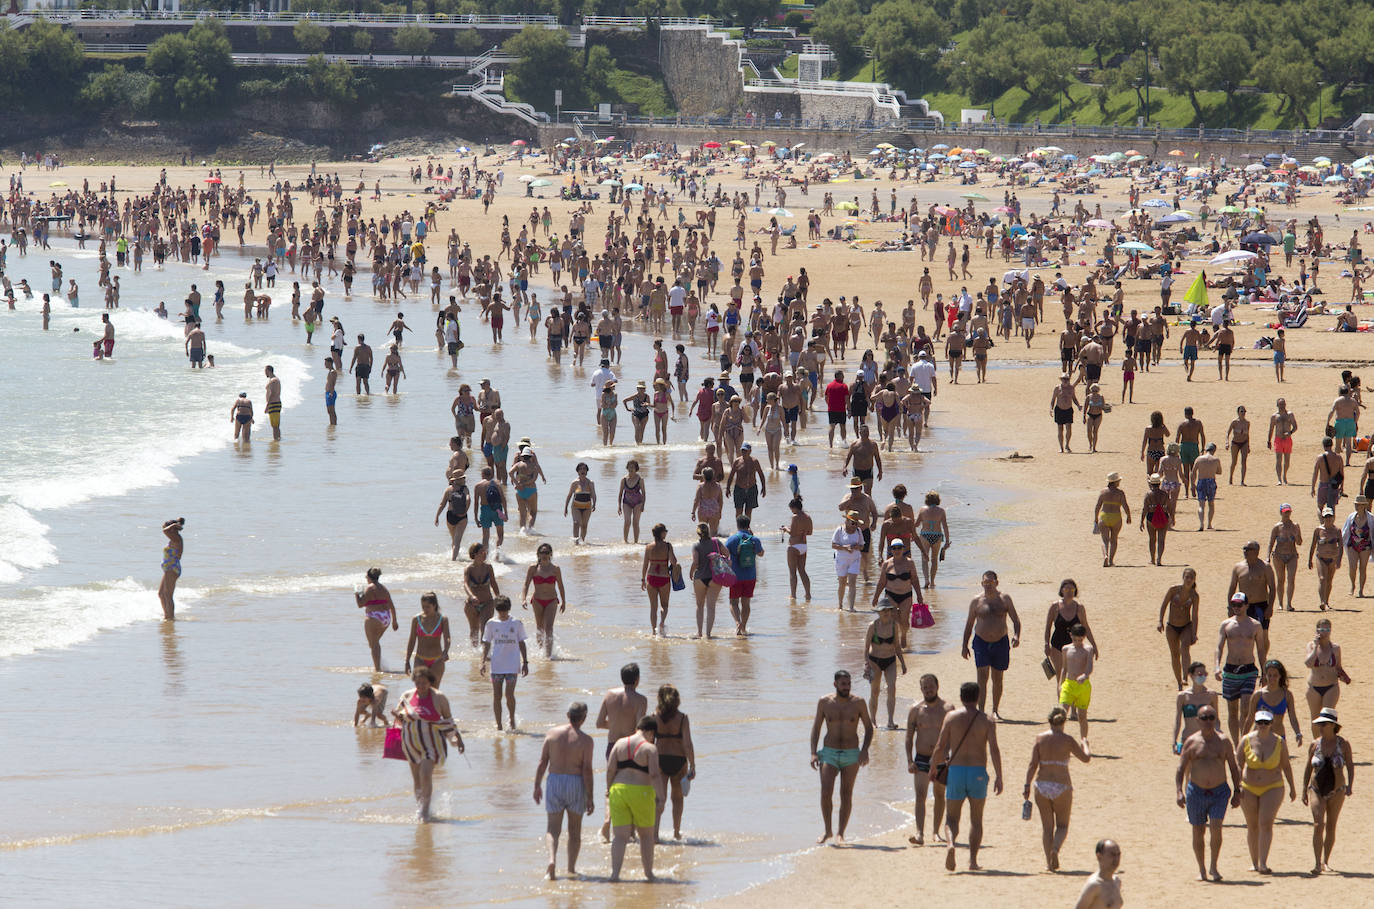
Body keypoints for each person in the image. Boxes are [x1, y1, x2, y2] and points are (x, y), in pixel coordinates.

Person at [931, 681, 1002, 871]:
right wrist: (999, 776)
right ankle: (972, 861)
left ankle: (951, 844)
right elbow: (994, 750)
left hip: (956, 771)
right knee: (976, 819)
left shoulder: (951, 717)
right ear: (978, 697)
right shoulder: (987, 720)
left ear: (961, 697)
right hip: (978, 772)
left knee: (951, 819)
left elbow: (940, 746)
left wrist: (933, 768)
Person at [1176, 702, 1241, 882]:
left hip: (1219, 791)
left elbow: (1234, 768)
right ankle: (1202, 869)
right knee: (1198, 830)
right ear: (1197, 720)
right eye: (1204, 718)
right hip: (1196, 792)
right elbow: (1180, 769)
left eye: (1211, 717)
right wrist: (1179, 792)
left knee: (1216, 827)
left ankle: (1214, 866)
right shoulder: (1191, 742)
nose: (1208, 721)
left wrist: (1237, 791)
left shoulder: (1224, 741)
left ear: (1216, 719)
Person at [809, 670, 875, 845]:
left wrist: (865, 750)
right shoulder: (824, 702)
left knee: (846, 794)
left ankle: (840, 833)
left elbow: (869, 728)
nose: (846, 687)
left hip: (851, 754)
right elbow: (816, 728)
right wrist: (814, 752)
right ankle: (828, 830)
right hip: (829, 752)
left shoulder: (859, 703)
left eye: (848, 684)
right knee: (825, 792)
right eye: (843, 684)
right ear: (835, 684)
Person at [391, 665, 464, 823]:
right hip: (411, 743)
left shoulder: (439, 697)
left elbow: (449, 721)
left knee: (425, 774)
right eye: (417, 683)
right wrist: (397, 715)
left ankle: (424, 811)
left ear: (430, 682)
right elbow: (399, 718)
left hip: (432, 744)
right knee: (416, 779)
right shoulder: (407, 695)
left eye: (423, 683)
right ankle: (421, 807)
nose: (420, 686)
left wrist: (457, 739)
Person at [1023, 705, 1091, 872]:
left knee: (1047, 828)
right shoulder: (1067, 740)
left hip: (1042, 785)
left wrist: (1026, 785)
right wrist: (1085, 744)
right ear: (1064, 722)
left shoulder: (1040, 738)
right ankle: (1055, 849)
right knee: (1062, 826)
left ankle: (1048, 863)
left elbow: (1033, 765)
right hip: (1062, 786)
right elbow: (1085, 758)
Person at [533, 702, 596, 880]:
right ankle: (571, 869)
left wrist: (537, 785)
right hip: (576, 782)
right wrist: (590, 797)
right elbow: (587, 770)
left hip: (555, 781)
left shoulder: (552, 734)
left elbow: (542, 762)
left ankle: (552, 860)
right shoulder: (586, 741)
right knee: (574, 831)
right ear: (584, 718)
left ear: (567, 714)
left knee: (552, 829)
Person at [1235, 708, 1296, 875]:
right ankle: (1254, 862)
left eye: (1266, 723)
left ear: (1271, 724)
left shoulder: (1279, 742)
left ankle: (1263, 862)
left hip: (1273, 786)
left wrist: (1293, 787)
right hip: (1248, 787)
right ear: (1255, 723)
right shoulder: (1246, 740)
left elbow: (1286, 765)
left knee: (1265, 823)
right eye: (1260, 722)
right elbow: (1238, 765)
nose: (1262, 726)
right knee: (1252, 825)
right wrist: (1236, 787)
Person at [607, 716, 666, 882]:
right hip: (642, 792)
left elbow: (610, 769)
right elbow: (654, 774)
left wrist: (608, 788)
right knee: (646, 836)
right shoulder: (650, 748)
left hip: (618, 790)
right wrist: (661, 798)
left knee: (620, 837)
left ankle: (615, 874)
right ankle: (648, 874)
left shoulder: (619, 743)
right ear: (650, 731)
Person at [960, 570, 1021, 718]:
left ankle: (995, 710)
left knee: (998, 677)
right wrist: (964, 645)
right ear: (981, 583)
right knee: (982, 676)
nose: (988, 585)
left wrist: (1016, 635)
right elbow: (969, 624)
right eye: (985, 582)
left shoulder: (1005, 599)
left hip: (1001, 641)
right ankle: (981, 711)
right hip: (981, 641)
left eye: (991, 582)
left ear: (997, 583)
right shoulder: (976, 601)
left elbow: (1016, 620)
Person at [1302, 707, 1353, 875]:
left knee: (1331, 825)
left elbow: (1350, 766)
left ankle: (1325, 861)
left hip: (1337, 790)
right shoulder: (1315, 744)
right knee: (1318, 824)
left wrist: (1350, 786)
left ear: (1332, 725)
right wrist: (1304, 790)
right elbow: (1308, 768)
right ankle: (1317, 863)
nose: (1320, 727)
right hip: (1316, 789)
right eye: (1319, 724)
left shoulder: (1343, 744)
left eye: (1323, 724)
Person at [904, 674, 952, 846]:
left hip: (941, 759)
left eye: (931, 686)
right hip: (922, 759)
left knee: (939, 795)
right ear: (921, 688)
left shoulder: (947, 709)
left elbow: (953, 735)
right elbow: (909, 737)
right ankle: (919, 834)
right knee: (920, 796)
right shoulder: (915, 710)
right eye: (925, 687)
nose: (928, 689)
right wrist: (910, 760)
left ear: (937, 686)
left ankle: (936, 833)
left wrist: (952, 757)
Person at [1215, 592, 1262, 743]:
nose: (1236, 608)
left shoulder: (1255, 625)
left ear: (1246, 605)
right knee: (1232, 711)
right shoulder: (1226, 624)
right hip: (1230, 671)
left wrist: (1264, 671)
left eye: (1239, 605)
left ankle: (1243, 741)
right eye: (1233, 605)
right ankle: (1236, 744)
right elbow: (1219, 647)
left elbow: (1261, 649)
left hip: (1248, 670)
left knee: (1246, 709)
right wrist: (1217, 666)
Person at [652, 684, 696, 841]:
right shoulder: (682, 718)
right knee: (677, 798)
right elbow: (687, 744)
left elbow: (649, 741)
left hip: (660, 759)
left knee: (659, 799)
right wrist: (693, 765)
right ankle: (676, 832)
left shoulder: (654, 717)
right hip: (679, 760)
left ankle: (655, 834)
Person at [479, 596, 528, 731]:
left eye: (505, 611)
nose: (503, 614)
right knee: (497, 696)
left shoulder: (516, 623)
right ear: (496, 610)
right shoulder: (491, 623)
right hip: (497, 666)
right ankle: (499, 725)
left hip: (512, 665)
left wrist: (525, 662)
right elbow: (487, 643)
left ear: (509, 609)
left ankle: (511, 718)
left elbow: (522, 642)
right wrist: (482, 661)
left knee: (509, 694)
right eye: (500, 611)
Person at [1227, 541, 1276, 665]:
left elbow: (1272, 588)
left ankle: (1263, 662)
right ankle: (1245, 662)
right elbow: (1232, 587)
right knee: (1243, 635)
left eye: (1248, 549)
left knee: (1263, 635)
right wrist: (1230, 607)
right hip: (1243, 606)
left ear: (1257, 551)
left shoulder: (1265, 567)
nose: (1245, 551)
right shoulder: (1238, 567)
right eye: (1244, 549)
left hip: (1260, 605)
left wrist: (1270, 607)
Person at [1044, 579, 1099, 685]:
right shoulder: (1055, 607)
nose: (1069, 591)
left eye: (1072, 589)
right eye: (1067, 589)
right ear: (1062, 590)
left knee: (1074, 676)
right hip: (1057, 645)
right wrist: (1046, 644)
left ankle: (1071, 700)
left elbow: (1086, 627)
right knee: (1061, 677)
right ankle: (1062, 701)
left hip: (1075, 645)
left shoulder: (1079, 608)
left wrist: (1094, 645)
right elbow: (1048, 627)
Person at [863, 601, 907, 729]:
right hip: (874, 661)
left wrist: (903, 664)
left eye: (888, 610)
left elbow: (897, 647)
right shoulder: (873, 626)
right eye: (883, 610)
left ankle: (890, 721)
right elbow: (866, 648)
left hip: (890, 661)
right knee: (875, 691)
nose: (886, 612)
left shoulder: (894, 626)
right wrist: (866, 664)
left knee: (892, 689)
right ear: (878, 612)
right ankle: (873, 720)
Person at [1157, 568, 1201, 690]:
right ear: (1183, 577)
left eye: (1191, 578)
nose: (1189, 580)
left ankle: (1185, 677)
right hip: (1171, 627)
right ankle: (1179, 682)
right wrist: (1160, 621)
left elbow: (1195, 615)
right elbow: (1164, 604)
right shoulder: (1173, 590)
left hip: (1186, 626)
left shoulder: (1194, 596)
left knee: (1185, 649)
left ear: (1194, 580)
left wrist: (1194, 633)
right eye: (1187, 577)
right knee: (1175, 655)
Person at [521, 543, 566, 657]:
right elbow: (526, 584)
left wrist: (564, 602)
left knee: (549, 628)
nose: (544, 555)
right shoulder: (533, 568)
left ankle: (548, 655)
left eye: (547, 552)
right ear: (538, 554)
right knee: (540, 627)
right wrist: (523, 599)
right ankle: (540, 650)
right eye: (542, 552)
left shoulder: (555, 569)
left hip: (551, 600)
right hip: (537, 601)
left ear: (551, 554)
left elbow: (561, 586)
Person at [1304, 618, 1350, 725]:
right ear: (1317, 631)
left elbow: (1338, 667)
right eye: (1322, 629)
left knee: (1327, 718)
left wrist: (1344, 677)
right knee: (1315, 720)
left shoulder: (1335, 648)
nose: (1325, 632)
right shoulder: (1311, 646)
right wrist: (1315, 647)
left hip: (1331, 686)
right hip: (1313, 687)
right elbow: (1308, 664)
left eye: (1328, 629)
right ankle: (1317, 742)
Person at [725, 514, 763, 634]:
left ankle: (737, 623)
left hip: (735, 576)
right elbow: (761, 553)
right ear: (748, 525)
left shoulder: (732, 539)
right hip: (750, 576)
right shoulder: (754, 539)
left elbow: (724, 554)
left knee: (733, 602)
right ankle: (744, 628)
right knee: (746, 603)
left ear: (737, 525)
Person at [404, 592, 452, 687]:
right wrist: (407, 661)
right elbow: (412, 640)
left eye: (428, 607)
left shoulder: (442, 619)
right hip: (420, 659)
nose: (425, 609)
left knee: (434, 690)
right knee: (420, 688)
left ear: (434, 605)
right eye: (423, 607)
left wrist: (446, 650)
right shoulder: (416, 619)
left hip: (437, 660)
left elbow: (447, 638)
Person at [1058, 625, 1096, 745]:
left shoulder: (1088, 649)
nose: (1078, 642)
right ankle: (1060, 741)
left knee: (1082, 716)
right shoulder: (1065, 649)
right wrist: (1060, 684)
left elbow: (1090, 666)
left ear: (1084, 637)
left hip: (1083, 686)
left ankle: (1083, 740)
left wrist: (1085, 675)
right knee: (1062, 714)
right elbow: (1064, 668)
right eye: (1075, 640)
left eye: (1080, 640)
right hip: (1068, 685)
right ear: (1071, 636)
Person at [355, 567, 397, 672]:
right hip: (386, 617)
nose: (366, 578)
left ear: (369, 577)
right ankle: (380, 665)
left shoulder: (369, 588)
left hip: (374, 616)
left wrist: (356, 593)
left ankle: (378, 669)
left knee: (374, 644)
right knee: (374, 643)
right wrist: (394, 621)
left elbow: (360, 604)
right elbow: (392, 605)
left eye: (366, 576)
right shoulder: (384, 588)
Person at [1174, 661, 1220, 755]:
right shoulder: (1183, 696)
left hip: (1206, 739)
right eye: (1199, 674)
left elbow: (1216, 719)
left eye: (1205, 674)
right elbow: (1178, 720)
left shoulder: (1211, 695)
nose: (1202, 676)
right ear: (1191, 675)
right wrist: (1174, 740)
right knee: (1186, 768)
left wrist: (1218, 733)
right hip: (1187, 739)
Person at [641, 523, 678, 636]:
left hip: (651, 577)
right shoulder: (667, 546)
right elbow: (674, 561)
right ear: (662, 533)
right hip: (664, 578)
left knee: (653, 607)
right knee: (664, 605)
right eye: (665, 531)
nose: (666, 533)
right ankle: (661, 622)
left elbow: (645, 564)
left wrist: (643, 579)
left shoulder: (648, 547)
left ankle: (653, 631)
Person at [462, 543, 499, 646]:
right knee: (474, 630)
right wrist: (471, 596)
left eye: (485, 552)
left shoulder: (488, 567)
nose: (485, 554)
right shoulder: (468, 569)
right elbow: (465, 584)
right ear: (474, 554)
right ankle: (475, 657)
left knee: (485, 629)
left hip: (487, 603)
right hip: (472, 604)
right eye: (482, 552)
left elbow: (493, 583)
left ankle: (484, 656)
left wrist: (499, 598)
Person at [1268, 503, 1303, 612]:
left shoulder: (1295, 526)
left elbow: (1299, 542)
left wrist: (1296, 534)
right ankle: (1280, 603)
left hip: (1292, 555)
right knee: (1280, 580)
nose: (1287, 514)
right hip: (1279, 556)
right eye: (1285, 512)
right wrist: (1267, 557)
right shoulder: (1277, 527)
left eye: (1288, 512)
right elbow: (1271, 543)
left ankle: (1289, 603)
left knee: (1291, 579)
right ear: (1281, 513)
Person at [1092, 473, 1130, 566]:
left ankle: (1105, 555)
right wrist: (1129, 516)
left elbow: (1097, 506)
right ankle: (1111, 561)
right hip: (1116, 516)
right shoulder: (1120, 493)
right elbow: (1125, 505)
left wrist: (1096, 518)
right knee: (1114, 540)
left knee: (1104, 540)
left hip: (1104, 516)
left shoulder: (1103, 492)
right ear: (1115, 482)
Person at [1310, 506, 1344, 610]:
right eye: (1326, 516)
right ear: (1323, 518)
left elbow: (1341, 546)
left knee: (1329, 580)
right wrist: (1309, 560)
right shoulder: (1318, 530)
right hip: (1321, 558)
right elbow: (1313, 545)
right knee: (1322, 578)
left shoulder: (1337, 530)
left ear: (1333, 517)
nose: (1328, 518)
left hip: (1332, 558)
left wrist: (1339, 560)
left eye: (1330, 516)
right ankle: (1322, 601)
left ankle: (1327, 601)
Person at [1074, 840, 1124, 909]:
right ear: (1099, 856)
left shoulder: (1117, 882)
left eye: (1118, 855)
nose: (1116, 859)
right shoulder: (1094, 885)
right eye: (1112, 855)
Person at [915, 491, 950, 588]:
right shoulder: (941, 511)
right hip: (937, 535)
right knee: (934, 560)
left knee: (924, 559)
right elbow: (945, 526)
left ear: (927, 500)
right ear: (937, 500)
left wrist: (911, 533)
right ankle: (932, 581)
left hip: (925, 535)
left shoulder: (922, 510)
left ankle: (926, 580)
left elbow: (917, 524)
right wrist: (947, 541)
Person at [831, 511, 865, 611]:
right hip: (841, 561)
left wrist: (857, 546)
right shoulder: (839, 530)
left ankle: (851, 607)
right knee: (842, 583)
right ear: (846, 521)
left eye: (856, 523)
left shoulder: (858, 531)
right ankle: (840, 605)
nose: (855, 526)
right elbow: (833, 545)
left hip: (855, 560)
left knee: (852, 583)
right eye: (853, 523)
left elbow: (862, 546)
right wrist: (845, 548)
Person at [1342, 495, 1374, 597]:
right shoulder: (1351, 517)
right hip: (1352, 544)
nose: (1357, 506)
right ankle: (1352, 585)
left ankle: (1361, 590)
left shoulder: (1371, 518)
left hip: (1365, 545)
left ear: (1364, 506)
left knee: (1362, 568)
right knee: (1352, 566)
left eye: (1359, 505)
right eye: (1356, 505)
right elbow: (1345, 530)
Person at [782, 497, 813, 601]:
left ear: (794, 508)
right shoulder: (808, 517)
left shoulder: (795, 517)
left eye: (791, 509)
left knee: (792, 572)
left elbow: (793, 533)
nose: (791, 511)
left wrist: (785, 529)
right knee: (802, 571)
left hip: (794, 546)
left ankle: (793, 595)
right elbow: (810, 532)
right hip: (803, 546)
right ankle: (808, 594)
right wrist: (802, 532)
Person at [434, 471, 470, 561]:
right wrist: (465, 510)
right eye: (463, 478)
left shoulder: (449, 489)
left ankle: (454, 556)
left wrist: (437, 516)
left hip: (450, 516)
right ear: (460, 479)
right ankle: (454, 560)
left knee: (454, 539)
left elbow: (442, 504)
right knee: (457, 541)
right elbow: (468, 499)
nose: (465, 480)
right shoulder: (465, 489)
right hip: (462, 517)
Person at [1139, 474, 1170, 565]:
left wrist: (1141, 521)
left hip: (1151, 517)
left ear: (1151, 484)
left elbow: (1145, 509)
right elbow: (1169, 507)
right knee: (1161, 539)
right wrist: (1172, 517)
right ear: (1159, 483)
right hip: (1163, 516)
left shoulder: (1148, 494)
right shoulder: (1164, 494)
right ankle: (1159, 559)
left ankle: (1152, 559)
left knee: (1152, 539)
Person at [158, 517, 184, 621]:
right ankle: (167, 615)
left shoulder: (177, 537)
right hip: (168, 568)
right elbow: (165, 530)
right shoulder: (174, 538)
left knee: (168, 594)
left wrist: (173, 525)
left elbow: (165, 531)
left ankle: (170, 618)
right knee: (161, 594)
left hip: (172, 568)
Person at [563, 462, 596, 545]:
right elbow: (569, 495)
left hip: (587, 506)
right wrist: (565, 507)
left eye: (584, 469)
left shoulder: (590, 483)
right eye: (580, 469)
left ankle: (582, 541)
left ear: (587, 471)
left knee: (584, 525)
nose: (582, 471)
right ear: (577, 471)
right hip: (576, 506)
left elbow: (594, 495)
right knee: (576, 523)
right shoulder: (574, 483)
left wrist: (594, 504)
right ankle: (576, 542)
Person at [1268, 398, 1298, 484]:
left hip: (1287, 440)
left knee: (1287, 460)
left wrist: (1290, 432)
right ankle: (1279, 479)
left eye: (1283, 404)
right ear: (1277, 405)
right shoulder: (1274, 416)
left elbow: (1295, 426)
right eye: (1280, 404)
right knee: (1278, 459)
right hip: (1278, 439)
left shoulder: (1290, 414)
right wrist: (1269, 441)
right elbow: (1271, 429)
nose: (1282, 406)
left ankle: (1284, 475)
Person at [1193, 443, 1222, 530]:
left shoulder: (1199, 459)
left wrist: (1192, 484)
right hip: (1211, 481)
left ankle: (1201, 524)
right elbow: (1219, 472)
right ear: (1214, 450)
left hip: (1201, 481)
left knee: (1201, 505)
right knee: (1211, 504)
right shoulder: (1216, 460)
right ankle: (1209, 524)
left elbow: (1193, 472)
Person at [618, 460, 647, 543]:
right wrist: (619, 506)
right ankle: (625, 541)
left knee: (635, 523)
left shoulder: (640, 479)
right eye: (629, 467)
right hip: (626, 502)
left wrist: (643, 505)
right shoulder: (623, 479)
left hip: (638, 502)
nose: (631, 469)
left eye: (633, 467)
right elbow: (620, 494)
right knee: (627, 521)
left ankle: (636, 542)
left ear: (636, 469)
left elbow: (644, 493)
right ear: (627, 468)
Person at [1050, 373, 1080, 452]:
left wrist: (1078, 405)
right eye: (1064, 379)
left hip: (1068, 409)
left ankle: (1067, 445)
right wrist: (1051, 409)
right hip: (1059, 410)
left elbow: (1074, 398)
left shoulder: (1071, 388)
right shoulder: (1057, 388)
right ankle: (1061, 447)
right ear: (1061, 380)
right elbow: (1053, 400)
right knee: (1060, 429)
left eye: (1067, 379)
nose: (1065, 381)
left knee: (1069, 428)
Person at [263, 365, 282, 441]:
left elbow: (273, 394)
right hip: (274, 404)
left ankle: (276, 441)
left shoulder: (274, 380)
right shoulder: (273, 380)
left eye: (265, 371)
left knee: (275, 426)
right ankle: (277, 440)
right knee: (275, 426)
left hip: (274, 404)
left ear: (268, 370)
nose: (265, 373)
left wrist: (267, 406)